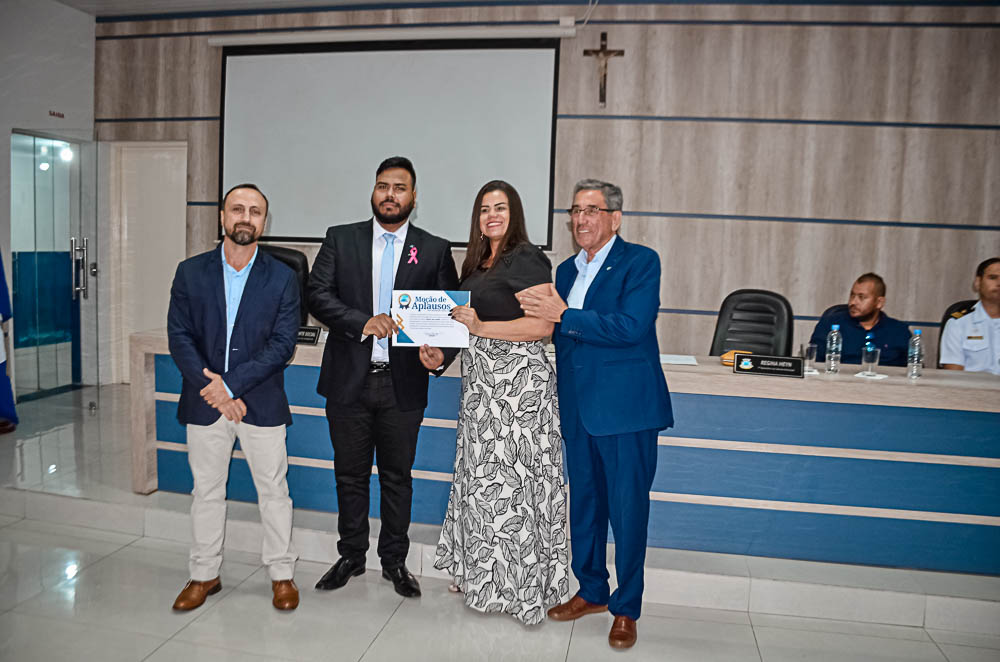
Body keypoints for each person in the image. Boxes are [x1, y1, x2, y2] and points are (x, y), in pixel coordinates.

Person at [517, 179, 673, 649]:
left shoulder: (640, 262)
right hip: (579, 410)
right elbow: (558, 333)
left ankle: (626, 608)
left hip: (626, 413)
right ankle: (591, 591)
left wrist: (565, 315)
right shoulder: (563, 271)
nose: (581, 219)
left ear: (614, 218)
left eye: (592, 210)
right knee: (584, 508)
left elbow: (630, 327)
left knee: (628, 513)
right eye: (575, 211)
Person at [306, 157, 459, 598]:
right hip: (348, 379)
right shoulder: (341, 238)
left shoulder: (433, 248)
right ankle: (352, 555)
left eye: (400, 188)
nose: (389, 194)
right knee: (349, 475)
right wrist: (361, 321)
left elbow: (448, 316)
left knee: (397, 477)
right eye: (382, 186)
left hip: (403, 383)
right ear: (373, 192)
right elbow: (317, 294)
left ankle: (394, 561)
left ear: (414, 197)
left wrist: (440, 355)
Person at [434, 180, 569, 625]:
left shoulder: (526, 258)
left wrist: (481, 328)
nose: (492, 215)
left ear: (515, 215)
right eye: (485, 208)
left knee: (514, 488)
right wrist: (437, 348)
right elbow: (463, 324)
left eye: (501, 207)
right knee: (483, 481)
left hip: (518, 392)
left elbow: (543, 327)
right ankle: (483, 577)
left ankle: (521, 588)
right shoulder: (474, 263)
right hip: (480, 388)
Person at [167, 183, 300, 612]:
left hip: (259, 402)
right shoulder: (190, 271)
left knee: (274, 492)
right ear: (222, 217)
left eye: (255, 211)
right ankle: (204, 574)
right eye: (237, 209)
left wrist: (231, 386)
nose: (246, 217)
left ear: (265, 221)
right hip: (206, 404)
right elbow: (180, 336)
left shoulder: (283, 277)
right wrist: (217, 392)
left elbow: (282, 346)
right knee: (206, 491)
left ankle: (281, 574)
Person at [809, 273, 911, 366]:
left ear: (879, 302)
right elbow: (812, 363)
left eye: (861, 297)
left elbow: (913, 369)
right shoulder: (830, 324)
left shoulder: (899, 331)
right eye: (852, 295)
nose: (853, 302)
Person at [940, 257, 1000, 375]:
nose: (999, 283)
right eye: (993, 278)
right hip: (973, 391)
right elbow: (954, 376)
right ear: (978, 283)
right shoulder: (958, 323)